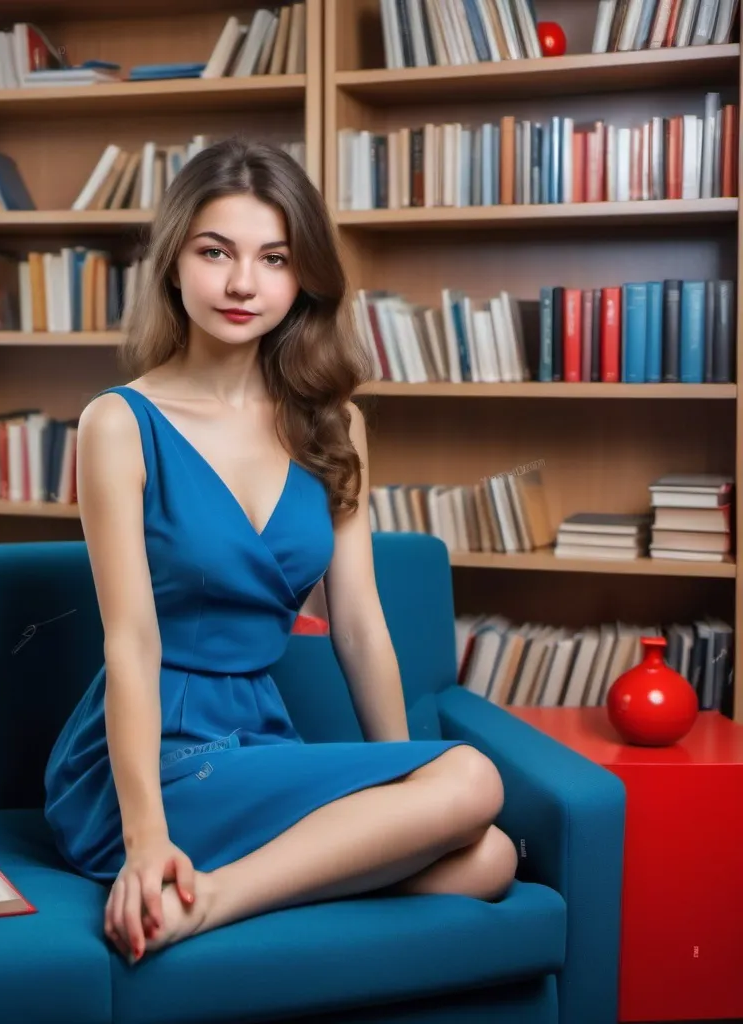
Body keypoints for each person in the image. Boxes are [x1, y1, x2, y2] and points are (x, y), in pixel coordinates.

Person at [43, 136, 516, 966]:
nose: (240, 283)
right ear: (173, 261)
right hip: (158, 753)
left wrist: (401, 787)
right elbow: (131, 641)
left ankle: (226, 896)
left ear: (303, 278)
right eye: (215, 251)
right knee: (473, 783)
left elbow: (359, 625)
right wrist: (147, 837)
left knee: (488, 856)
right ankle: (203, 894)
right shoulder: (118, 423)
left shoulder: (335, 423)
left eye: (273, 258)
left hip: (261, 738)